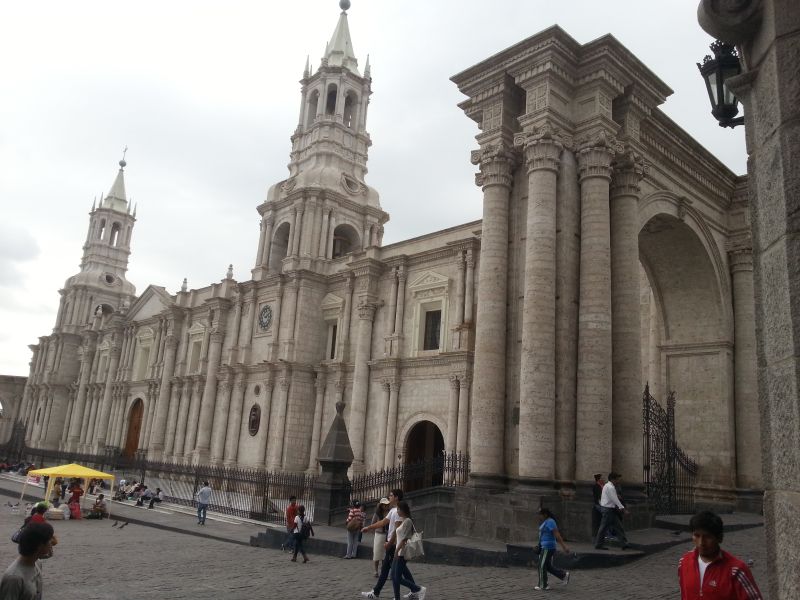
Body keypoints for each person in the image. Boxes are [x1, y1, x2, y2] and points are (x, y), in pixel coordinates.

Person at [678, 511, 762, 599]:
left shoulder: (736, 570)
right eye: (697, 536)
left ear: (720, 538)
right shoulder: (684, 563)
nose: (701, 542)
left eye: (707, 537)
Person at [360, 489, 413, 599]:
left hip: (393, 545)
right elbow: (383, 522)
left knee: (394, 573)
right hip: (392, 544)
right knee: (393, 570)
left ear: (397, 497)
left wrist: (389, 543)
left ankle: (416, 589)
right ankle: (377, 592)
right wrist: (369, 528)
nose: (389, 497)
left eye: (391, 495)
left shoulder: (398, 511)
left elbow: (397, 531)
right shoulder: (394, 510)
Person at [0, 522, 55, 599]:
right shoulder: (14, 578)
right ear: (40, 545)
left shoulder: (37, 563)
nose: (52, 543)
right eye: (49, 540)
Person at [392, 501, 426, 600]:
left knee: (397, 577)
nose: (397, 511)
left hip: (401, 552)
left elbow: (404, 539)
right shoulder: (403, 520)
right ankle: (397, 597)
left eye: (398, 509)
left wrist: (396, 550)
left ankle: (418, 589)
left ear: (402, 510)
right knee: (394, 576)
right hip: (398, 551)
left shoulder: (408, 521)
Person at [535, 507, 571, 591]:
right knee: (547, 566)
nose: (539, 516)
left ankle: (543, 585)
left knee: (541, 565)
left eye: (540, 514)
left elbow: (557, 535)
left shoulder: (550, 522)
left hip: (548, 547)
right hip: (544, 546)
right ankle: (563, 575)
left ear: (545, 514)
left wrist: (564, 547)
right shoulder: (546, 521)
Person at [594, 472, 630, 550]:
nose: (618, 480)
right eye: (617, 479)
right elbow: (615, 500)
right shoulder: (610, 487)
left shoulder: (608, 486)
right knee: (604, 528)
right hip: (608, 510)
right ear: (613, 479)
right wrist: (623, 509)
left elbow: (613, 498)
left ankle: (624, 544)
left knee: (618, 527)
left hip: (609, 509)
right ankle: (598, 544)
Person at [371, 498, 391, 577]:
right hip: (379, 534)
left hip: (387, 534)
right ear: (381, 505)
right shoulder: (377, 514)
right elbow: (373, 523)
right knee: (377, 553)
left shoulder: (389, 513)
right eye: (385, 505)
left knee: (385, 554)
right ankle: (376, 570)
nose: (386, 506)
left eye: (387, 505)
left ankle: (384, 570)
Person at [591, 473, 604, 537]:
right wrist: (602, 505)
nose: (603, 479)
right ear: (598, 480)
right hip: (599, 505)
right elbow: (599, 497)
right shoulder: (596, 486)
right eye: (601, 478)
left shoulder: (601, 486)